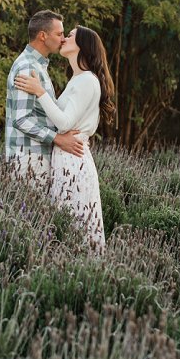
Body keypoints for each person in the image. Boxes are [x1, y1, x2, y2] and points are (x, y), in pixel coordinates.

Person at [14, 25, 116, 252]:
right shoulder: (77, 80)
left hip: (74, 160)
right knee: (65, 224)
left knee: (76, 225)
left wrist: (39, 92)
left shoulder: (87, 80)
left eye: (69, 35)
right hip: (66, 158)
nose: (64, 38)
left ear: (82, 46)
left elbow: (64, 122)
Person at [5, 11, 86, 190]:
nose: (63, 39)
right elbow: (20, 119)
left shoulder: (38, 65)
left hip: (37, 157)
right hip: (28, 160)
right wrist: (58, 138)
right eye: (59, 34)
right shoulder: (27, 67)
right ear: (43, 35)